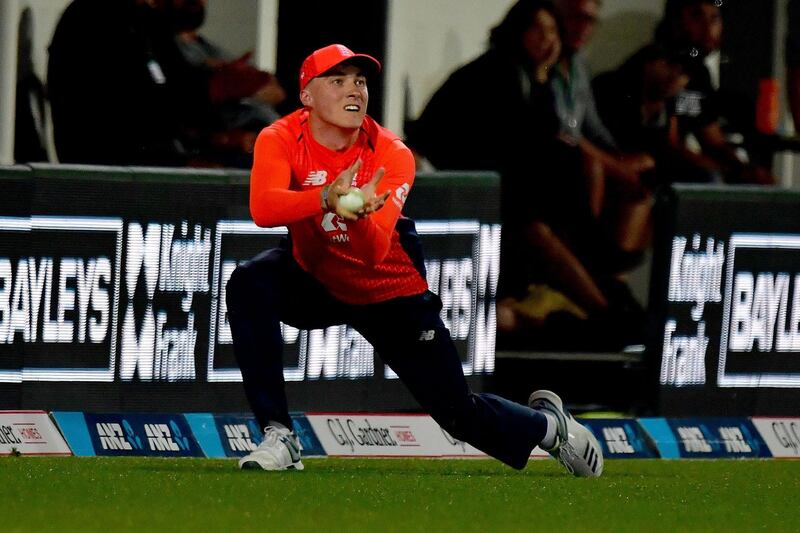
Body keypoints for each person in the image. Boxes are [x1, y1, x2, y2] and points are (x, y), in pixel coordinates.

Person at [225, 43, 603, 476]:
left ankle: (550, 428)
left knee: (457, 414)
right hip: (319, 278)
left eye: (361, 81)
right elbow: (263, 208)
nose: (354, 90)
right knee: (249, 283)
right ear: (307, 97)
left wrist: (359, 217)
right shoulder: (279, 137)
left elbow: (371, 252)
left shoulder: (391, 154)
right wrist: (327, 198)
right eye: (338, 80)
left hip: (388, 290)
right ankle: (279, 435)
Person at [654, 0, 773, 184]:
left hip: (686, 163)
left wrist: (746, 170)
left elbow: (713, 141)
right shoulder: (661, 65)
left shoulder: (699, 73)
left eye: (715, 17)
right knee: (711, 179)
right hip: (649, 164)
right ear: (676, 21)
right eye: (697, 15)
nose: (708, 26)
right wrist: (723, 171)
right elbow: (667, 144)